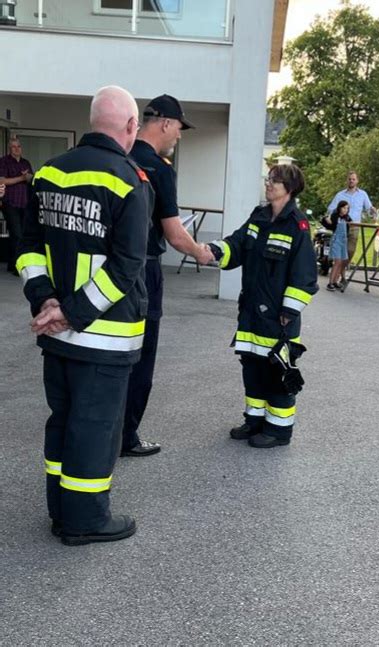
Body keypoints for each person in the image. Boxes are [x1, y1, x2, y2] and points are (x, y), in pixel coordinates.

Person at [16, 85, 152, 545]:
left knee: (63, 419)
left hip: (56, 333)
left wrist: (44, 301)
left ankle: (60, 508)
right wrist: (71, 313)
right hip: (103, 338)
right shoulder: (130, 180)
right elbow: (127, 265)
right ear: (131, 127)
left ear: (93, 121)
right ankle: (84, 520)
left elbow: (29, 246)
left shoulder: (49, 173)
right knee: (94, 429)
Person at [120, 94, 214, 458]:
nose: (179, 135)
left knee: (111, 352)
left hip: (111, 266)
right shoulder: (159, 169)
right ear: (164, 123)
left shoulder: (121, 156)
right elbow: (175, 234)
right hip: (144, 271)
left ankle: (104, 431)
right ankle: (126, 437)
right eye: (179, 127)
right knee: (141, 357)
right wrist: (201, 252)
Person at [208, 164, 318, 449]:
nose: (268, 184)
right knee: (252, 369)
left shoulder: (297, 225)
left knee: (276, 374)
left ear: (289, 188)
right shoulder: (259, 216)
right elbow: (238, 243)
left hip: (278, 318)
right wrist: (215, 251)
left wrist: (288, 312)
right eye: (268, 179)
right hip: (251, 313)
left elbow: (305, 276)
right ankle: (255, 420)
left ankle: (279, 430)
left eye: (275, 181)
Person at [326, 171, 377, 265]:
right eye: (349, 179)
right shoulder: (340, 195)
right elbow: (331, 209)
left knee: (350, 251)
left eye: (353, 179)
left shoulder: (363, 194)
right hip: (341, 226)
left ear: (357, 181)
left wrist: (373, 212)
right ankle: (339, 273)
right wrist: (330, 217)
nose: (351, 181)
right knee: (340, 251)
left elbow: (369, 209)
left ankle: (342, 268)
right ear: (347, 181)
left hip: (355, 226)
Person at [0, 137, 33, 274]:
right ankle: (15, 266)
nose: (16, 149)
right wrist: (21, 178)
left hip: (24, 202)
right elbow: (2, 180)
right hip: (10, 202)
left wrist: (28, 177)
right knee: (17, 233)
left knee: (23, 234)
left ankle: (13, 263)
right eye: (13, 147)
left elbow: (31, 178)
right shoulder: (4, 161)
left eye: (18, 146)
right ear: (9, 148)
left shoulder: (25, 162)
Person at [325, 200, 352, 291]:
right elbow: (329, 224)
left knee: (341, 263)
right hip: (336, 240)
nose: (345, 210)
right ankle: (330, 283)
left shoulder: (347, 218)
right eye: (344, 208)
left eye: (347, 208)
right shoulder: (335, 216)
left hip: (344, 241)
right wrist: (326, 220)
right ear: (339, 208)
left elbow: (350, 225)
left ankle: (335, 281)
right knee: (337, 262)